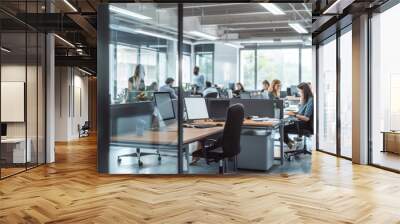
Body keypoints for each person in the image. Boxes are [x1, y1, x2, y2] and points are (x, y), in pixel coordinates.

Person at [284, 82, 314, 149]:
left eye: (300, 91)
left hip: (306, 125)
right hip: (301, 123)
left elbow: (306, 118)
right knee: (284, 126)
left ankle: (289, 144)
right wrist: (293, 113)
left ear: (304, 91)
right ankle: (290, 142)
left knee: (283, 128)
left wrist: (294, 115)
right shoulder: (307, 99)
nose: (299, 93)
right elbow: (301, 112)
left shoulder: (310, 100)